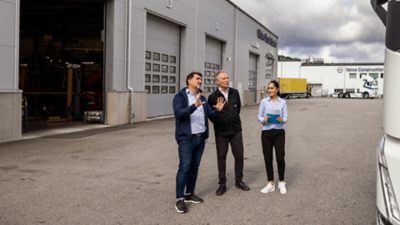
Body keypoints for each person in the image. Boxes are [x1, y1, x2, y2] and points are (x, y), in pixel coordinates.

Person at [173, 72, 225, 213]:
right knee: (184, 167)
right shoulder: (180, 97)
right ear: (189, 80)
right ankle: (179, 199)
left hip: (200, 138)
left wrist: (218, 110)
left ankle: (189, 193)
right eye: (197, 78)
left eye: (201, 79)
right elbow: (179, 113)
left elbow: (210, 114)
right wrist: (194, 107)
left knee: (194, 167)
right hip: (186, 139)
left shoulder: (202, 98)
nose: (200, 81)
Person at [207, 71, 250, 196]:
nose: (226, 80)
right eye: (223, 78)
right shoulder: (213, 97)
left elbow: (238, 109)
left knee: (239, 156)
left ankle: (239, 181)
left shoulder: (234, 92)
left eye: (227, 78)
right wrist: (219, 115)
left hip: (236, 130)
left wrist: (233, 120)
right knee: (221, 157)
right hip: (221, 132)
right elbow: (211, 116)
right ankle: (222, 184)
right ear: (217, 82)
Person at [257, 80, 288, 195]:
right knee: (267, 158)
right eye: (268, 88)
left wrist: (282, 120)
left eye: (272, 88)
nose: (269, 90)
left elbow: (285, 117)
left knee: (280, 157)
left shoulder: (283, 102)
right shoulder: (264, 102)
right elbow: (259, 116)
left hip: (279, 132)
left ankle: (281, 182)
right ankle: (270, 183)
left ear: (277, 89)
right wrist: (263, 119)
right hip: (266, 133)